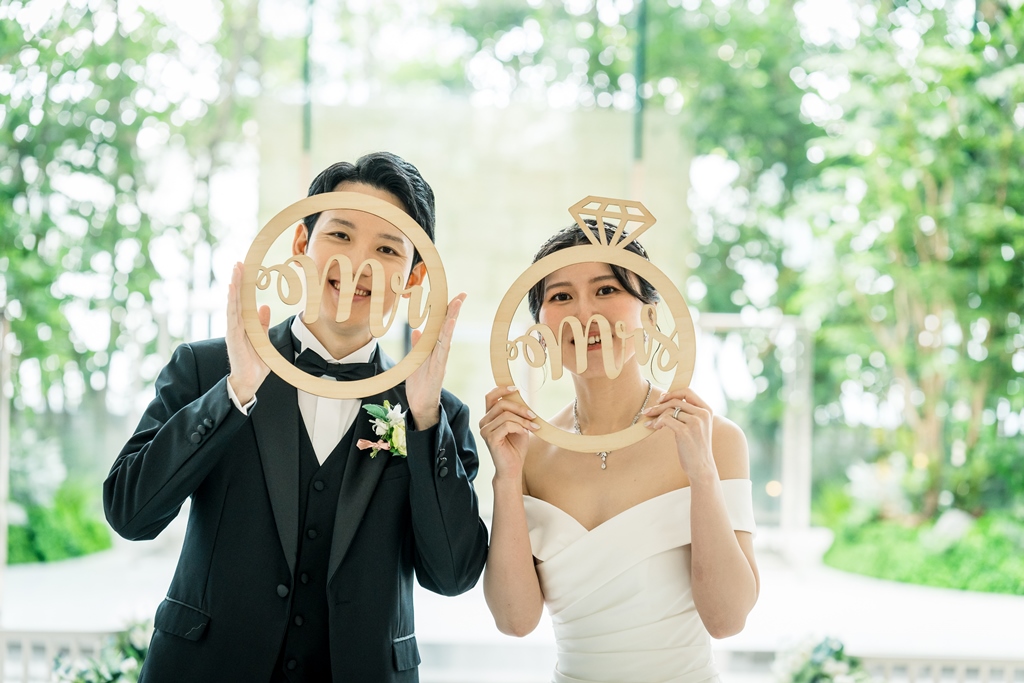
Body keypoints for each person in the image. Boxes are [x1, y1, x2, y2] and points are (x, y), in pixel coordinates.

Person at [104, 152, 489, 683]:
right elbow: (130, 514)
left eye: (386, 249)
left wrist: (423, 422)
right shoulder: (207, 368)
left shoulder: (436, 413)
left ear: (414, 276)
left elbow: (453, 575)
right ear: (301, 244)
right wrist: (235, 392)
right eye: (340, 235)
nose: (358, 263)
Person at [479, 222, 759, 683]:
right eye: (561, 296)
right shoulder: (528, 451)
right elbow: (515, 620)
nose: (584, 312)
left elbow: (727, 619)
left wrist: (703, 474)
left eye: (606, 289)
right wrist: (506, 478)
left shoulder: (714, 438)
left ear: (649, 312)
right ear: (540, 329)